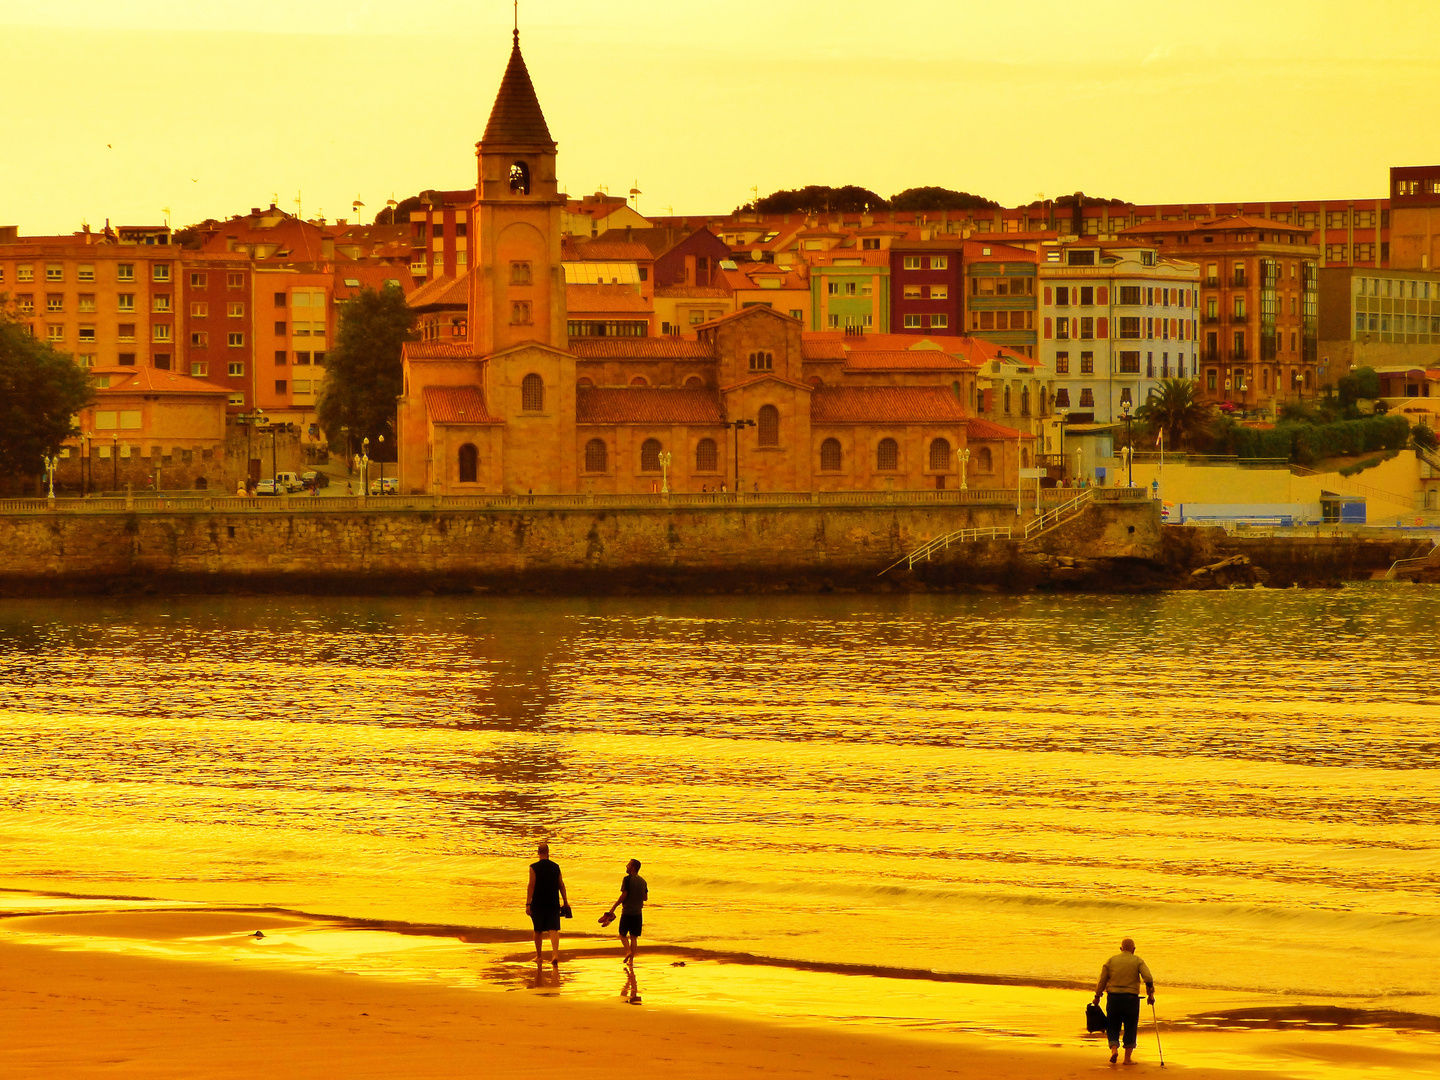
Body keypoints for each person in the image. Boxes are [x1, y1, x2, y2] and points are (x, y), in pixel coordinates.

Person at [1093, 937, 1155, 1065]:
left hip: (1113, 998)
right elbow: (1148, 978)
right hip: (1131, 999)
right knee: (1130, 1027)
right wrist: (1150, 994)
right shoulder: (1137, 960)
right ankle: (1127, 1059)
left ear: (1121, 949)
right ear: (1134, 949)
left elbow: (1102, 980)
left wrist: (1097, 996)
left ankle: (1114, 1049)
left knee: (1112, 1025)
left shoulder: (1111, 960)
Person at [525, 842, 569, 966]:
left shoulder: (533, 867)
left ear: (538, 853)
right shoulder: (556, 867)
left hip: (538, 901)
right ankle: (555, 954)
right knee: (553, 929)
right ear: (548, 853)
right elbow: (561, 884)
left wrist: (528, 904)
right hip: (553, 901)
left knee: (538, 930)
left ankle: (539, 956)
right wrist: (565, 901)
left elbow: (531, 886)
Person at [605, 859, 648, 964]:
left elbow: (624, 895)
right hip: (638, 913)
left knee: (622, 935)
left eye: (628, 865)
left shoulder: (627, 879)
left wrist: (614, 907)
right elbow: (645, 898)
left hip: (627, 912)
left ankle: (628, 951)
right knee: (634, 937)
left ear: (633, 867)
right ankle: (631, 961)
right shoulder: (643, 881)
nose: (626, 866)